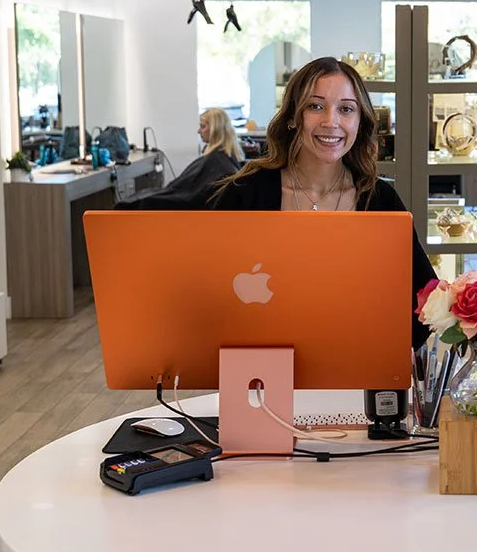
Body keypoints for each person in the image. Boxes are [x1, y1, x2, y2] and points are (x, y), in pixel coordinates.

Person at [211, 56, 437, 347]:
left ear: (360, 121)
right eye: (315, 106)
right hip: (263, 371)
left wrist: (388, 356)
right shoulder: (245, 194)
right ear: (293, 116)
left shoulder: (380, 200)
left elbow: (426, 298)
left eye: (346, 109)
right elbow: (207, 291)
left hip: (355, 367)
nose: (331, 122)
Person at [117, 108, 241, 210]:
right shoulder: (225, 157)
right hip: (184, 197)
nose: (199, 131)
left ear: (215, 129)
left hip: (186, 204)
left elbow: (190, 197)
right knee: (140, 198)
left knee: (129, 204)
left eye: (202, 127)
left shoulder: (217, 160)